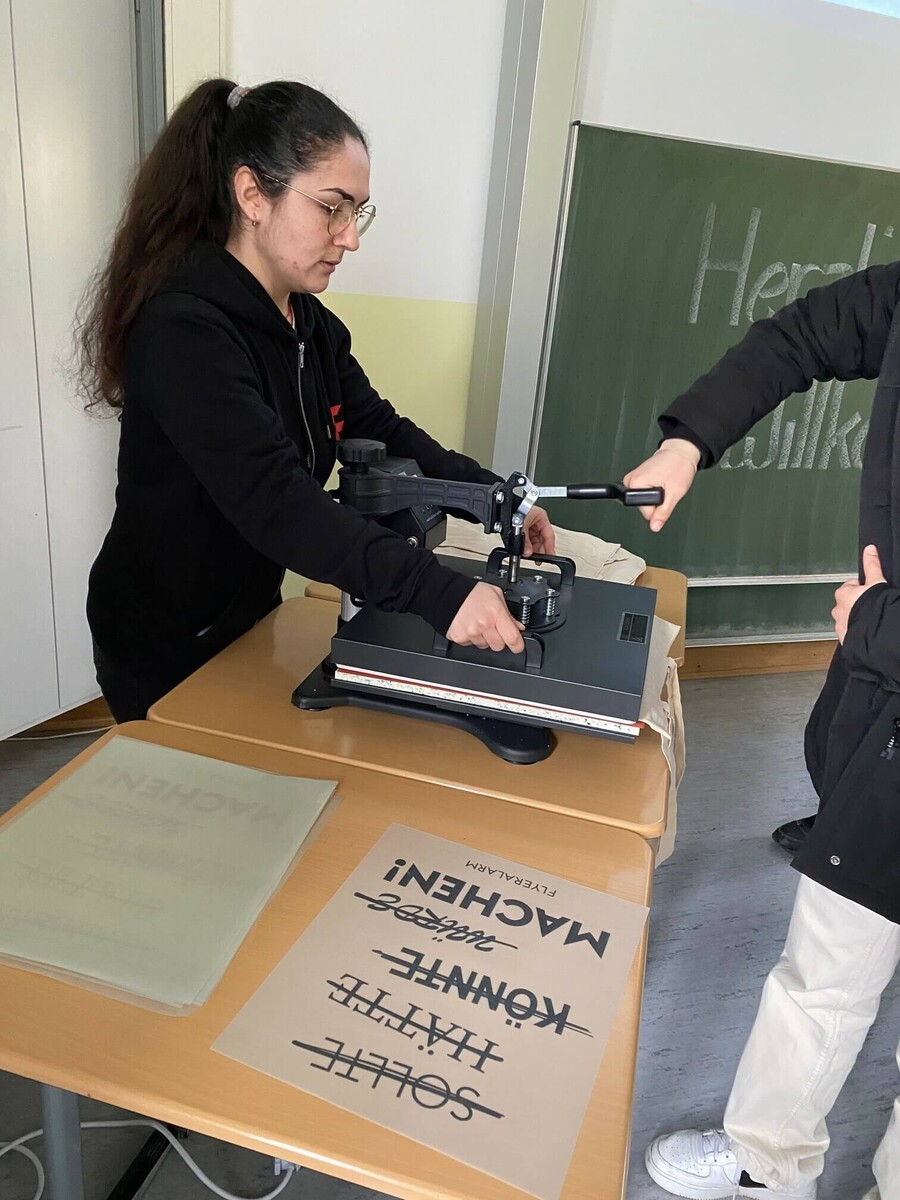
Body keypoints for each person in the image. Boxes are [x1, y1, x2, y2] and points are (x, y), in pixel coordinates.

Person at [77, 79, 554, 722]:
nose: (349, 237)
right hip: (163, 638)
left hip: (247, 615)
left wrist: (494, 497)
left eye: (358, 212)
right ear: (253, 195)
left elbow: (380, 427)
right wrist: (437, 594)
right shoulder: (184, 332)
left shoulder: (311, 327)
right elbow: (277, 501)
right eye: (332, 207)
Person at [624, 262, 900, 1199]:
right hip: (886, 719)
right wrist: (689, 441)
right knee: (829, 961)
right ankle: (767, 1163)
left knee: (833, 966)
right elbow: (802, 334)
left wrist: (878, 624)